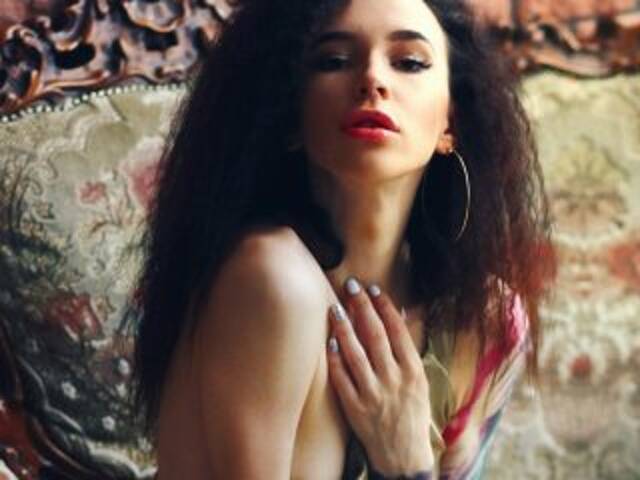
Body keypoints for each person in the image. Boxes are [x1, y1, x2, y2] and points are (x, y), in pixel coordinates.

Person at [125, 0, 557, 478]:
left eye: (409, 62)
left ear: (450, 123)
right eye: (333, 60)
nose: (372, 79)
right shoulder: (271, 278)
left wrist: (408, 460)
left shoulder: (487, 321)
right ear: (291, 115)